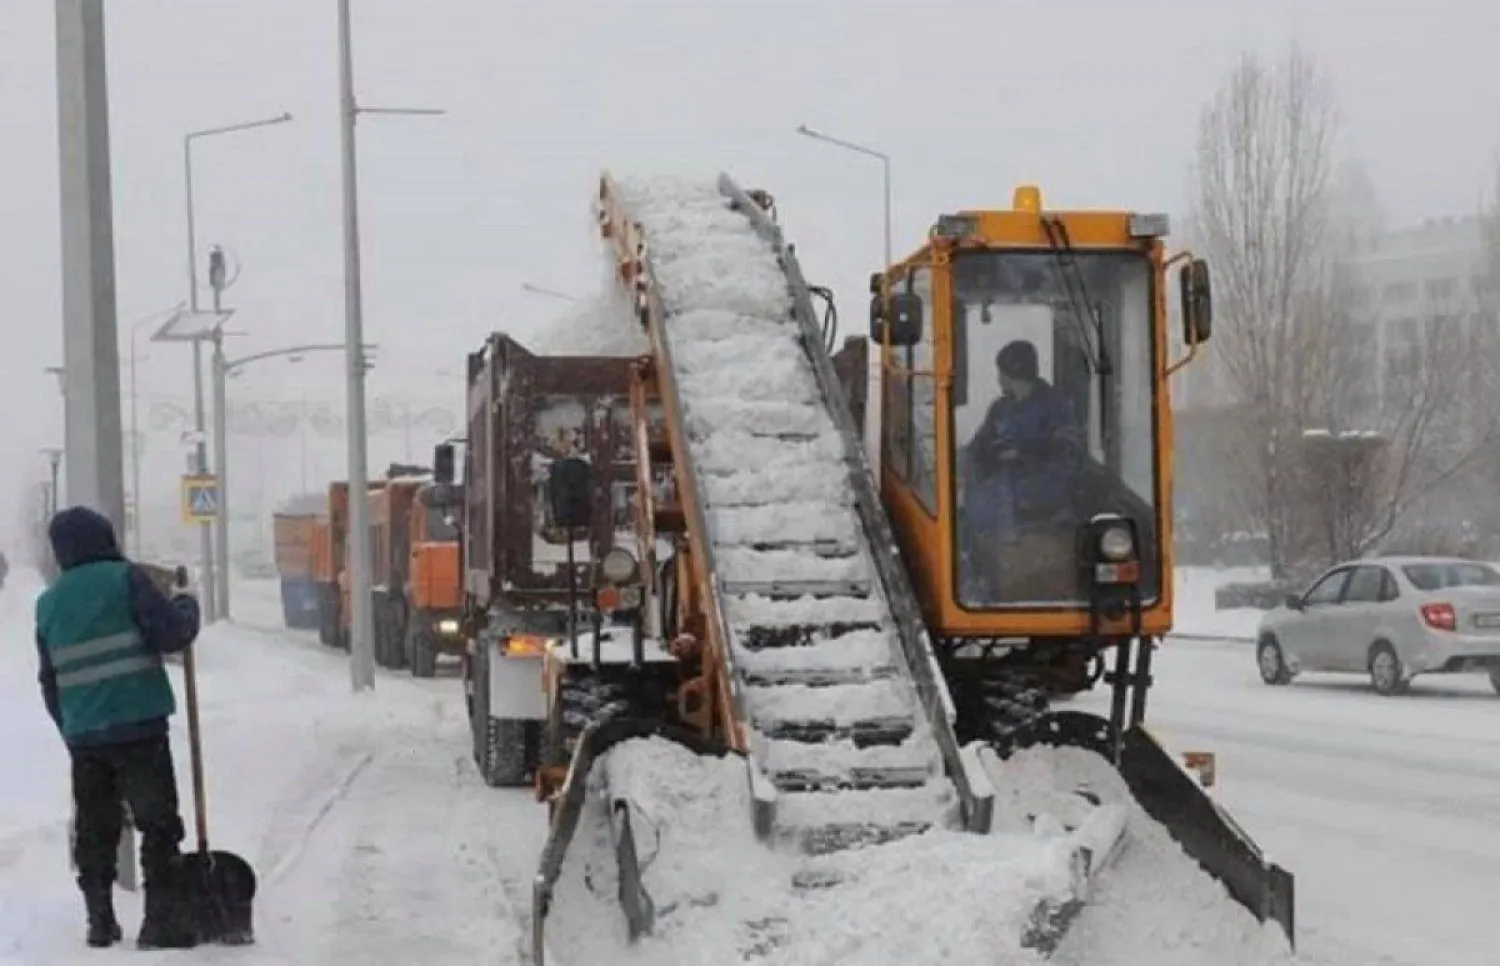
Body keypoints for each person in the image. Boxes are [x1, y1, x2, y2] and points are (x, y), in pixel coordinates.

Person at [34, 506, 200, 950]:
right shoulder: (124, 579)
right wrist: (187, 606)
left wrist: (71, 728)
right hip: (139, 725)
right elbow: (170, 635)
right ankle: (161, 923)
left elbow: (49, 681)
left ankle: (100, 921)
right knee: (157, 822)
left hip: (86, 736)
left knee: (96, 827)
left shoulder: (48, 603)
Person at [960, 340, 1082, 598]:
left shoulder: (1055, 406)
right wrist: (981, 458)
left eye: (1001, 372)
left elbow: (1068, 449)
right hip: (1003, 495)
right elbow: (978, 448)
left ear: (1011, 372)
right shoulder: (1001, 409)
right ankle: (978, 581)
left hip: (1043, 495)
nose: (998, 378)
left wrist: (1025, 453)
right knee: (967, 518)